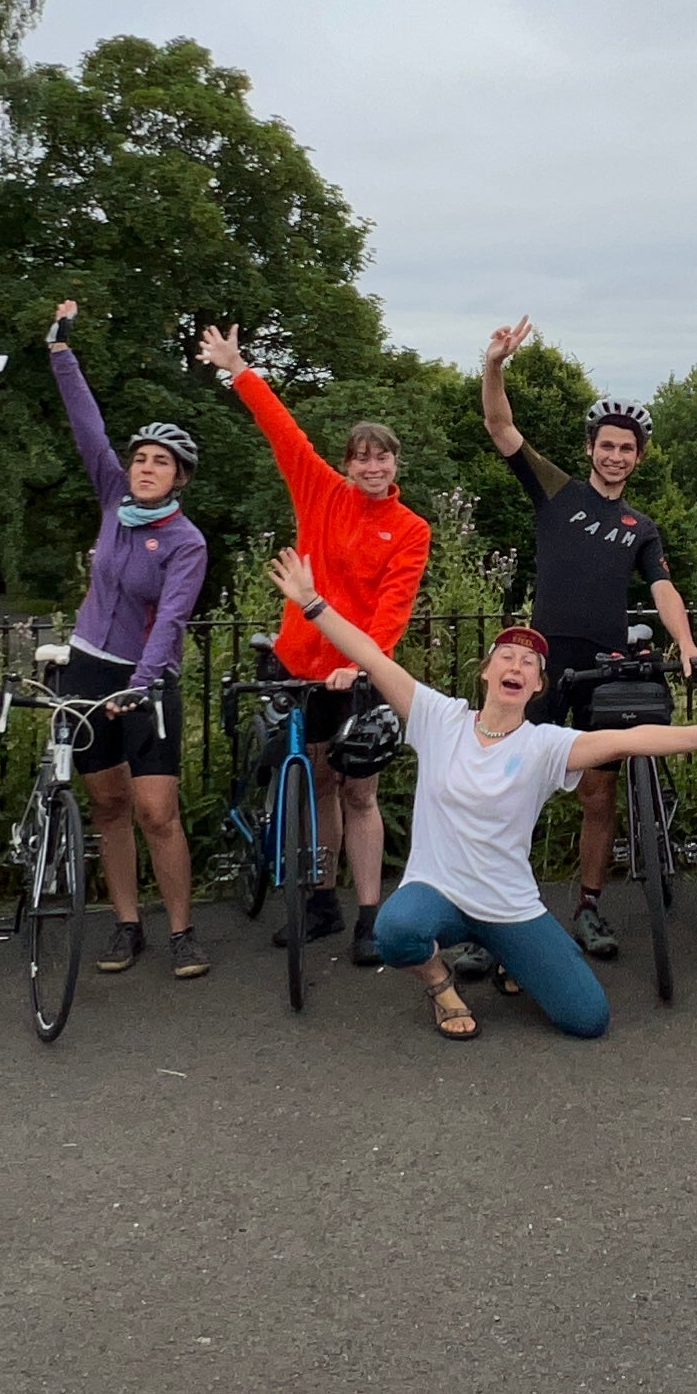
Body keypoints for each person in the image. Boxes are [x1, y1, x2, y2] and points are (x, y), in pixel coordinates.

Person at [271, 547, 697, 1039]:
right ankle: (442, 987)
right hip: (438, 893)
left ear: (536, 686)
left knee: (587, 1018)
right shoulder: (438, 719)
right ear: (486, 672)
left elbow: (625, 739)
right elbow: (370, 657)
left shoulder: (542, 744)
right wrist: (313, 603)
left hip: (509, 907)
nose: (516, 665)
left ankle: (516, 954)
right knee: (396, 930)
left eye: (529, 663)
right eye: (506, 656)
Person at [479, 320, 697, 960]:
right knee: (509, 784)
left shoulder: (642, 525)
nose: (615, 456)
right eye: (607, 446)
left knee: (598, 791)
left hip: (607, 670)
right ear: (591, 449)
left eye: (626, 449)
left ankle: (587, 906)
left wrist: (689, 644)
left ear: (638, 458)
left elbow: (663, 589)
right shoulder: (559, 493)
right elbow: (502, 430)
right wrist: (494, 364)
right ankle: (495, 910)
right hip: (545, 661)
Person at [201, 324, 430, 967]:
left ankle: (368, 915)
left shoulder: (410, 529)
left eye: (381, 458)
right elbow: (283, 430)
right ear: (348, 463)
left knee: (361, 792)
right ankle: (321, 900)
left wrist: (357, 667)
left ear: (395, 465)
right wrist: (239, 368)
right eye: (361, 457)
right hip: (296, 663)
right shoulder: (321, 491)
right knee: (320, 785)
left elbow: (393, 610)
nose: (371, 467)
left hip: (354, 675)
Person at [49, 301, 213, 977]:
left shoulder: (185, 541)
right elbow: (88, 427)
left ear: (179, 477)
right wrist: (62, 354)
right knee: (108, 804)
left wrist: (141, 686)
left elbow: (172, 619)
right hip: (88, 666)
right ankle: (124, 924)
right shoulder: (114, 498)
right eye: (141, 458)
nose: (145, 468)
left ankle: (180, 931)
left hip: (150, 680)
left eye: (160, 463)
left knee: (155, 809)